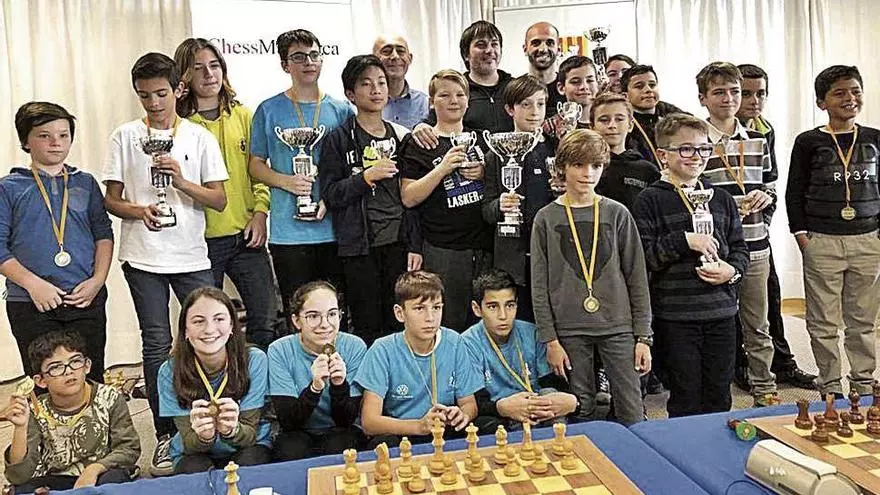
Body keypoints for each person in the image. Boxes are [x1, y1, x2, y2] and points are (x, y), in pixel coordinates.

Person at [103, 52, 228, 476]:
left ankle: (217, 421)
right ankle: (164, 433)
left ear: (178, 89)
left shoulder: (198, 137)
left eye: (160, 93)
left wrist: (180, 181)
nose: (154, 103)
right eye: (144, 96)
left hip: (191, 254)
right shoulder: (124, 136)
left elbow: (218, 199)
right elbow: (111, 200)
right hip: (143, 256)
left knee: (211, 334)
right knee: (156, 343)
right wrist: (139, 211)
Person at [531, 129, 651, 426]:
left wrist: (643, 336)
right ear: (562, 167)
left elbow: (637, 277)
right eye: (579, 165)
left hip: (617, 324)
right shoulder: (546, 218)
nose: (588, 173)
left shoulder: (617, 213)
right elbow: (539, 285)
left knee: (631, 409)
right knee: (580, 406)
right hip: (569, 327)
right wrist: (550, 340)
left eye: (596, 166)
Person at [632, 114, 749, 417]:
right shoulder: (649, 200)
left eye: (704, 148)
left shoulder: (721, 198)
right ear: (663, 155)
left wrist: (732, 271)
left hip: (722, 312)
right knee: (685, 394)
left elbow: (739, 248)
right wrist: (684, 241)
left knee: (719, 393)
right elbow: (645, 258)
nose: (696, 156)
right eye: (686, 149)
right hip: (676, 316)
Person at [174, 38, 278, 350]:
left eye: (214, 65)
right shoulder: (178, 125)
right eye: (198, 68)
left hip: (246, 235)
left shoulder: (244, 115)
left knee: (265, 319)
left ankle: (256, 378)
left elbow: (259, 171)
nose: (209, 74)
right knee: (208, 326)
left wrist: (260, 212)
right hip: (200, 242)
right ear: (184, 76)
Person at [785, 65, 880, 398]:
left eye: (855, 91)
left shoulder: (874, 138)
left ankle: (864, 384)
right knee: (823, 320)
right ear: (821, 102)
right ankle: (829, 385)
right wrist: (801, 236)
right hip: (821, 240)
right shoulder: (809, 141)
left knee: (862, 319)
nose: (849, 98)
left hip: (868, 239)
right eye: (839, 93)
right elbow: (794, 190)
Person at [2, 102, 113, 383]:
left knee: (90, 378)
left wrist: (98, 280)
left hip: (85, 297)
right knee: (45, 380)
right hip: (31, 302)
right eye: (45, 136)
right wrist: (33, 284)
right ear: (25, 141)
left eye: (64, 135)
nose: (56, 142)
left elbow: (103, 234)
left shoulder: (85, 183)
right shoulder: (8, 187)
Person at [248, 29, 354, 323]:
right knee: (298, 314)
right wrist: (287, 182)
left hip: (333, 229)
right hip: (288, 233)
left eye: (314, 55)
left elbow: (349, 168)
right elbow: (255, 165)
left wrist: (329, 201)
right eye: (298, 57)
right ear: (285, 65)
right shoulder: (268, 110)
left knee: (335, 314)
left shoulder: (341, 110)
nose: (308, 62)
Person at [319, 55, 419, 344]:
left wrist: (414, 244)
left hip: (398, 243)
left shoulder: (400, 137)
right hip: (359, 247)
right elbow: (331, 193)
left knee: (399, 322)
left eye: (381, 83)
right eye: (366, 84)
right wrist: (365, 177)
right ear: (350, 94)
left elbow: (410, 196)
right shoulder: (339, 139)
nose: (376, 90)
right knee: (367, 324)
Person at [696, 61, 780, 407]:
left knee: (757, 324)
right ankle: (717, 393)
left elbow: (771, 185)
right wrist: (730, 205)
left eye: (734, 92)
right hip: (716, 247)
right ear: (703, 98)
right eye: (719, 92)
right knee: (718, 324)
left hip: (755, 244)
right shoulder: (696, 141)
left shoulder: (758, 139)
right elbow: (691, 192)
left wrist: (765, 198)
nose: (729, 98)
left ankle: (764, 387)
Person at [736, 63, 816, 391]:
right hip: (727, 233)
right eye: (745, 93)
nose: (754, 101)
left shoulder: (764, 129)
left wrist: (765, 217)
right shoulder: (709, 133)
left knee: (770, 297)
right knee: (736, 307)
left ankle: (782, 363)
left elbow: (770, 181)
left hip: (757, 231)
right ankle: (743, 366)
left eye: (760, 93)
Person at [399, 69, 492, 331]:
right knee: (448, 322)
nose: (454, 101)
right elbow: (408, 197)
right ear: (431, 101)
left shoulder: (483, 139)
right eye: (445, 95)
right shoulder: (419, 142)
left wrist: (486, 173)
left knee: (484, 324)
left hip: (484, 247)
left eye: (460, 94)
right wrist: (441, 169)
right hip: (444, 249)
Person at [354, 271, 488, 449]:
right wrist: (419, 426)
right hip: (402, 433)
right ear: (400, 313)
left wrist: (462, 415)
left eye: (436, 307)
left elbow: (469, 404)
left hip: (442, 429)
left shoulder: (455, 342)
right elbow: (369, 422)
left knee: (483, 429)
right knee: (385, 443)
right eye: (419, 308)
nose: (430, 318)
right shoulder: (382, 349)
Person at [2, 330, 140, 493]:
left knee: (112, 483)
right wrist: (20, 428)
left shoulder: (110, 397)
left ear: (87, 365)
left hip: (102, 472)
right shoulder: (36, 410)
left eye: (75, 361)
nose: (68, 371)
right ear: (41, 381)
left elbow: (128, 449)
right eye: (55, 367)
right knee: (22, 490)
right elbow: (18, 476)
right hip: (59, 478)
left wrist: (94, 469)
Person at [158, 286, 273, 473]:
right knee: (195, 475)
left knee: (249, 469)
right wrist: (204, 437)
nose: (209, 329)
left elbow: (250, 435)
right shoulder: (169, 371)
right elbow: (189, 443)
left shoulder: (254, 360)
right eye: (198, 321)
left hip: (248, 445)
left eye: (219, 319)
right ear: (185, 330)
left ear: (232, 326)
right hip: (195, 452)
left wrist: (232, 430)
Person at [463, 269, 578, 428]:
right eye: (493, 307)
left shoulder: (533, 333)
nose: (503, 316)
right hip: (500, 413)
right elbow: (474, 402)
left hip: (538, 406)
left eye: (510, 305)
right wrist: (501, 408)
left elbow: (551, 383)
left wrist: (571, 402)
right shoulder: (467, 344)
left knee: (551, 396)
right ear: (477, 309)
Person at [482, 75, 555, 322]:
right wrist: (500, 206)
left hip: (551, 253)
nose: (535, 111)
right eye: (526, 104)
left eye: (540, 104)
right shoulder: (496, 153)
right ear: (510, 109)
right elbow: (486, 210)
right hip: (512, 260)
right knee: (518, 323)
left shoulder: (556, 149)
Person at [268, 281, 367, 460]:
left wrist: (339, 385)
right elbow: (288, 423)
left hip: (341, 428)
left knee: (340, 446)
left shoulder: (354, 346)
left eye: (332, 314)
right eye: (313, 316)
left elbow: (346, 420)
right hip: (297, 430)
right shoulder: (279, 350)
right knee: (291, 449)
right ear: (296, 320)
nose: (325, 324)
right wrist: (314, 388)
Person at [410, 21, 513, 149]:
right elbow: (432, 121)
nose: (489, 50)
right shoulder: (456, 90)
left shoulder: (515, 88)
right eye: (481, 45)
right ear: (466, 54)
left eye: (494, 44)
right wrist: (420, 127)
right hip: (471, 160)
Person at [592, 92, 661, 211]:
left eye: (619, 119)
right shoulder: (586, 167)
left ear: (630, 125)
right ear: (592, 126)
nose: (612, 125)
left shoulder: (647, 171)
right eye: (604, 120)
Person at [621, 64, 687, 168]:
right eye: (639, 86)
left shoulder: (673, 114)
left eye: (652, 85)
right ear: (625, 96)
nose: (648, 90)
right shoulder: (623, 123)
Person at [372, 34, 429, 130]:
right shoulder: (363, 105)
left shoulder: (425, 104)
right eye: (386, 51)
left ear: (410, 58)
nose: (395, 56)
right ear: (374, 59)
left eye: (401, 51)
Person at [543, 56, 597, 138]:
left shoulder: (607, 122)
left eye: (590, 81)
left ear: (597, 84)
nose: (584, 87)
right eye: (575, 82)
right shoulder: (550, 127)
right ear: (561, 88)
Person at [523, 22, 564, 116]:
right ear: (525, 49)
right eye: (536, 43)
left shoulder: (568, 88)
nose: (543, 49)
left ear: (559, 49)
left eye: (550, 43)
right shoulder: (517, 89)